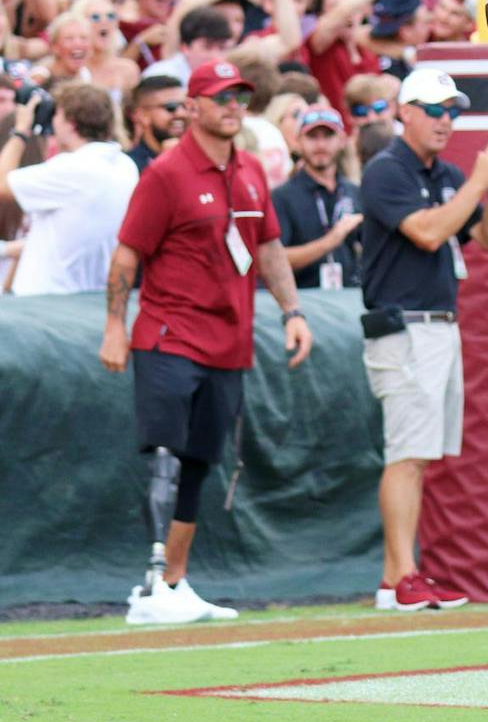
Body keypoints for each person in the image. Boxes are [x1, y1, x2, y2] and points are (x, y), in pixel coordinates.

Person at [98, 59, 313, 625]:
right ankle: (149, 588)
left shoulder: (249, 170)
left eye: (239, 95)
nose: (232, 105)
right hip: (169, 335)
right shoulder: (166, 174)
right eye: (219, 97)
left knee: (198, 463)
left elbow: (267, 246)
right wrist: (116, 327)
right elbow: (128, 253)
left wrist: (292, 311)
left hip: (229, 341)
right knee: (164, 458)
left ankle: (174, 581)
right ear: (192, 107)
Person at [359, 67, 488, 613]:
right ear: (404, 112)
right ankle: (401, 575)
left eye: (452, 110)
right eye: (434, 109)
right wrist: (481, 175)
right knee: (407, 454)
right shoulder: (385, 171)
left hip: (437, 326)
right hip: (402, 327)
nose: (446, 120)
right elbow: (427, 233)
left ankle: (397, 576)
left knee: (419, 456)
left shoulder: (448, 173)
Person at [0, 84, 137, 295]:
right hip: (92, 294)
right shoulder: (125, 165)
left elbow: (2, 185)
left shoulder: (71, 169)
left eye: (56, 115)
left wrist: (21, 130)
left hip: (48, 298)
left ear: (70, 123)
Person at [271, 105, 362, 290]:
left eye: (328, 136)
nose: (320, 145)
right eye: (312, 137)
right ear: (297, 141)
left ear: (342, 140)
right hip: (303, 302)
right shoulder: (282, 196)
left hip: (349, 300)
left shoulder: (354, 192)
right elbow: (274, 259)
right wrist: (329, 242)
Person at [125, 76, 187, 171]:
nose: (181, 113)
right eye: (171, 107)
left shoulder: (204, 156)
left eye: (185, 105)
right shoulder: (129, 166)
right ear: (141, 115)